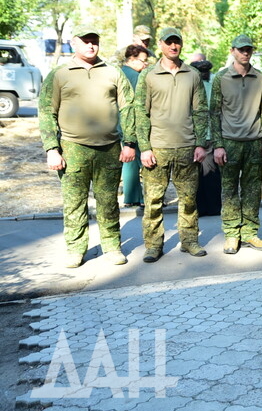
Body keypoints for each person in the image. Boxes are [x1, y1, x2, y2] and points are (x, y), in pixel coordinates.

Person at [39, 28, 137, 268]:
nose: (91, 46)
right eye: (86, 42)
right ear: (74, 44)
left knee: (108, 202)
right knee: (74, 203)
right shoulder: (60, 74)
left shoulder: (112, 72)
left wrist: (130, 142)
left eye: (94, 42)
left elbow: (128, 108)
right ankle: (75, 249)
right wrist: (52, 148)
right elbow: (46, 111)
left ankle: (112, 246)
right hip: (72, 148)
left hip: (109, 148)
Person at [134, 27, 209, 262]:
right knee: (154, 201)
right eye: (169, 42)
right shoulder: (149, 76)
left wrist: (201, 144)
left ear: (182, 45)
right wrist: (144, 147)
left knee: (188, 199)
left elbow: (200, 111)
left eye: (177, 42)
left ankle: (189, 241)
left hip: (187, 147)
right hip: (157, 148)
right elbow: (140, 112)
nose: (173, 46)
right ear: (161, 44)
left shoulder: (193, 75)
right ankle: (153, 245)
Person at [211, 34, 262, 254]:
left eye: (248, 49)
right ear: (233, 51)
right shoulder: (221, 78)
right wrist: (217, 145)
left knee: (252, 189)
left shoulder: (261, 78)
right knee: (229, 190)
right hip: (229, 142)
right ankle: (231, 234)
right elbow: (214, 113)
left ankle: (249, 232)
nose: (245, 53)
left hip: (255, 142)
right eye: (241, 49)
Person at [189, 52, 221, 217]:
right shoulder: (212, 86)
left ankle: (201, 208)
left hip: (201, 136)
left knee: (202, 175)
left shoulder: (192, 87)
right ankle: (213, 207)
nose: (204, 73)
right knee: (209, 174)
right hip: (206, 136)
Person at [120, 44, 150, 208]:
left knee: (128, 161)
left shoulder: (118, 73)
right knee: (142, 160)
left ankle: (131, 197)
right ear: (131, 59)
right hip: (135, 123)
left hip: (119, 124)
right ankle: (146, 198)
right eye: (142, 61)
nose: (145, 65)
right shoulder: (137, 77)